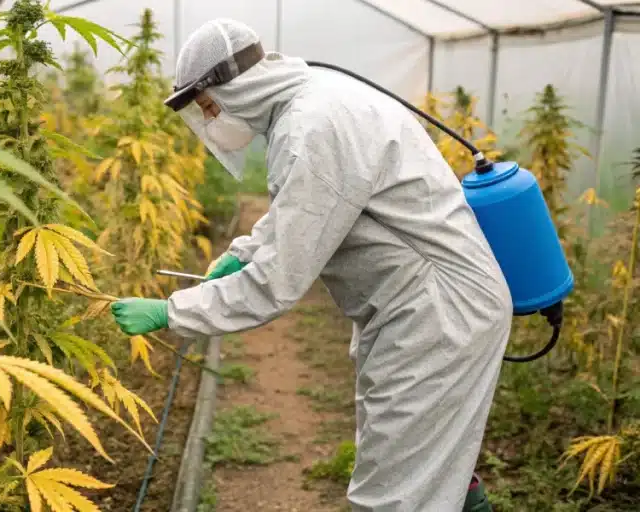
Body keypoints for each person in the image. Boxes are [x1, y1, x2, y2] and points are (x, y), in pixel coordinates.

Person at [109, 18, 512, 512]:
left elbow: (277, 282)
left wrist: (173, 311)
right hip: (412, 306)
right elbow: (304, 210)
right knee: (416, 465)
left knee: (394, 494)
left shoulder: (314, 126)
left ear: (238, 87)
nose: (212, 121)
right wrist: (242, 254)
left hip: (438, 314)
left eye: (210, 107)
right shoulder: (311, 103)